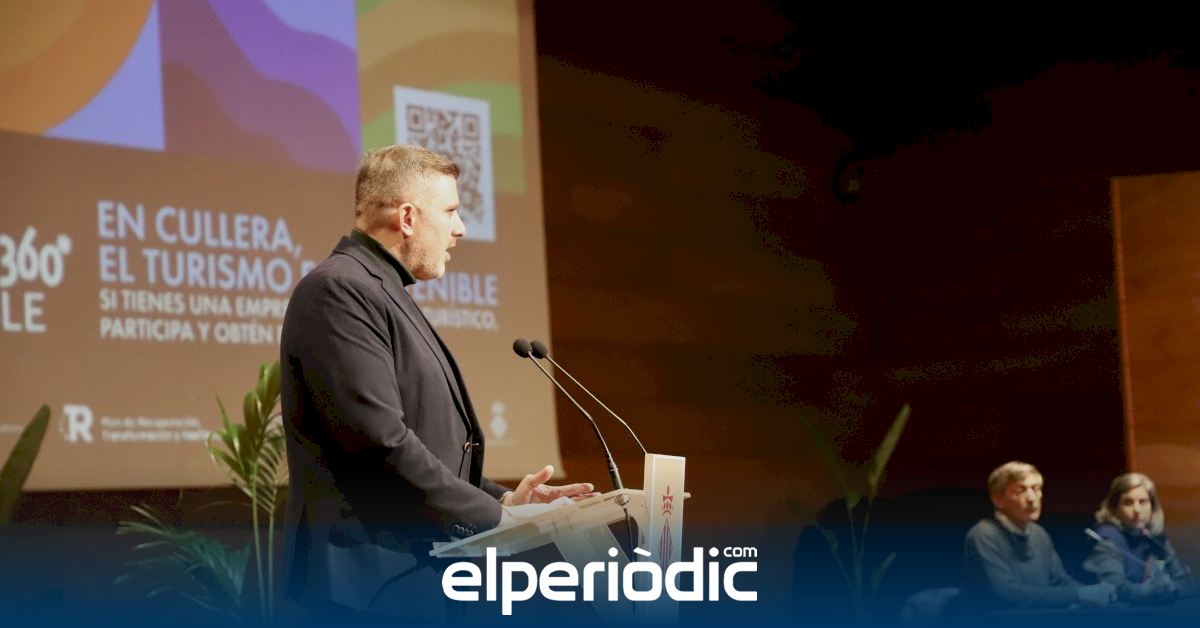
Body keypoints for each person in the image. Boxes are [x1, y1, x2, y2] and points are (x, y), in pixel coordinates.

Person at [279, 144, 596, 623]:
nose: (460, 227)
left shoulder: (381, 289)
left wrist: (504, 499)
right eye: (450, 211)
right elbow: (379, 443)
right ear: (407, 217)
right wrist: (499, 517)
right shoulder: (340, 290)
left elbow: (428, 444)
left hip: (402, 579)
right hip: (363, 587)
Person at [960, 461, 1116, 611]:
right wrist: (1079, 595)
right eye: (1021, 490)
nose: (1032, 498)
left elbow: (1059, 581)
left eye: (1035, 489)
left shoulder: (1039, 533)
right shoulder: (983, 535)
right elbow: (1007, 593)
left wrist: (1094, 592)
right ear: (997, 499)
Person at [1083, 472, 1197, 603]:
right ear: (1114, 509)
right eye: (1128, 502)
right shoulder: (1106, 540)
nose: (1137, 509)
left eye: (1143, 502)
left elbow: (1186, 583)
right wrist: (1150, 591)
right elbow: (1115, 589)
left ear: (1152, 507)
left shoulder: (1156, 539)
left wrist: (1172, 588)